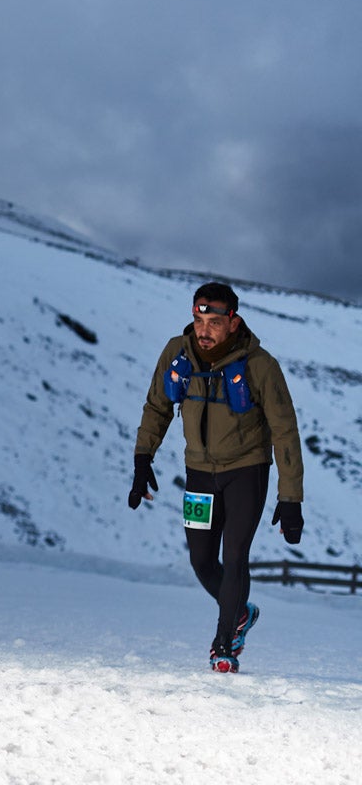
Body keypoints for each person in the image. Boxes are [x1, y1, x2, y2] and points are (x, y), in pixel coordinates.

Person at [128, 282, 304, 672]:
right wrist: (143, 460)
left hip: (246, 470)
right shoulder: (177, 353)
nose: (203, 330)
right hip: (199, 474)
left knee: (235, 554)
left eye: (213, 322)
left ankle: (224, 645)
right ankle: (240, 612)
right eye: (198, 319)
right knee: (202, 560)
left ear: (233, 321)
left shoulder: (261, 366)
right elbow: (157, 406)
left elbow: (285, 431)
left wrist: (290, 497)